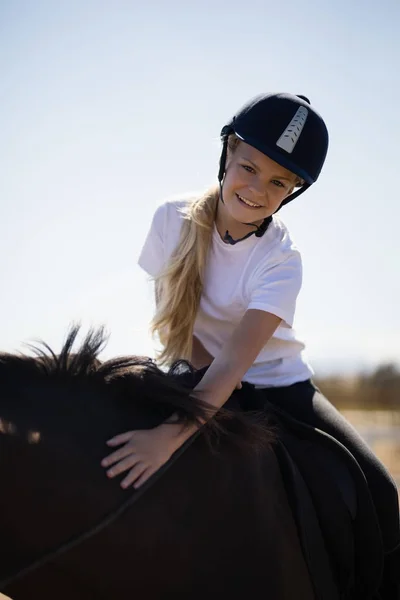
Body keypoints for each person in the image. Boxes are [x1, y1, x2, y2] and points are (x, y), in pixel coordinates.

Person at [101, 93, 399, 564]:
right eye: (250, 168)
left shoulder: (281, 261)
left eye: (278, 182)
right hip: (194, 369)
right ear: (228, 152)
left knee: (380, 489)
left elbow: (235, 365)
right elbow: (182, 336)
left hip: (280, 386)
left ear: (293, 190)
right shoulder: (168, 221)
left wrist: (169, 437)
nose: (258, 190)